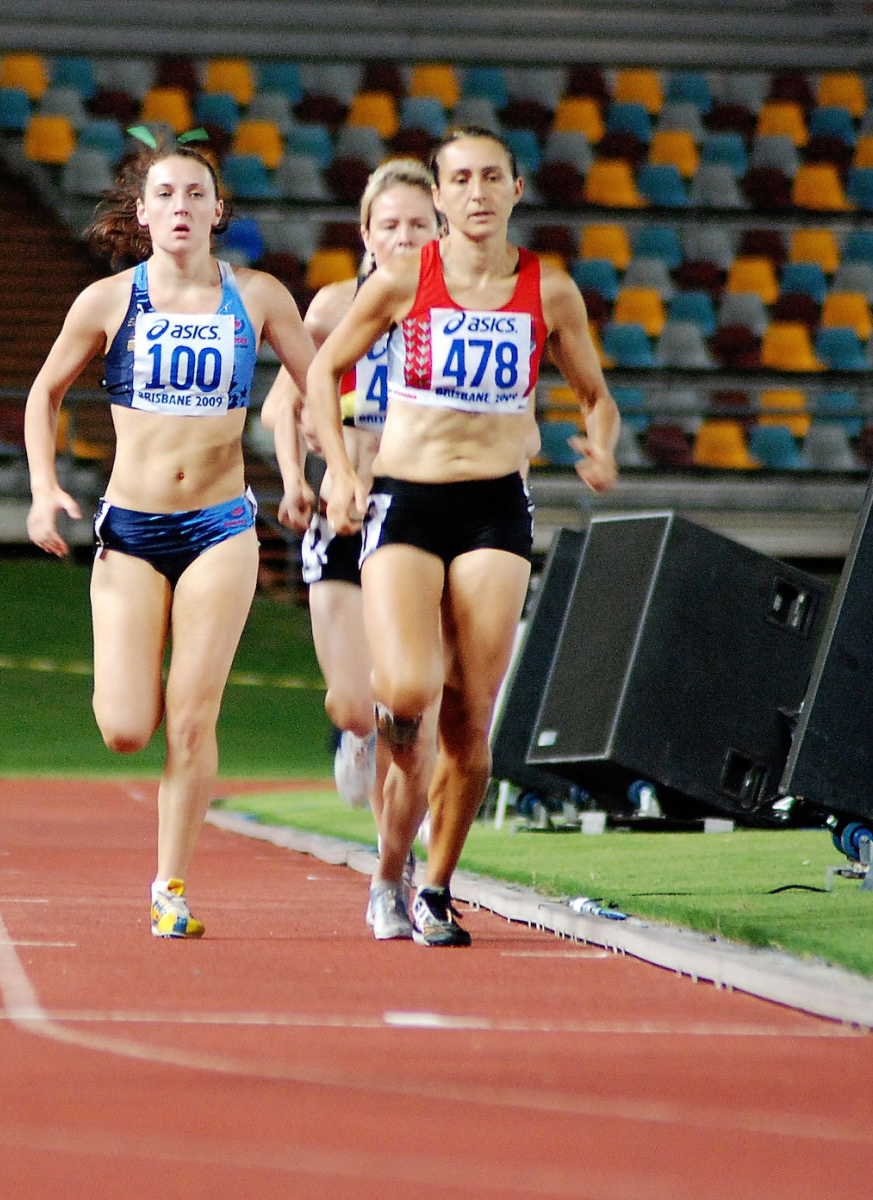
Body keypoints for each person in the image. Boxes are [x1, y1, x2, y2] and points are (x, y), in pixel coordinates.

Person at [25, 127, 343, 939]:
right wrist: (43, 488)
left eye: (194, 194)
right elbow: (43, 393)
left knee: (193, 718)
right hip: (131, 530)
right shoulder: (109, 300)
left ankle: (170, 885)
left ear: (216, 213)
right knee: (127, 727)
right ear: (141, 212)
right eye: (164, 194)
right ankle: (147, 746)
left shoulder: (259, 296)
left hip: (221, 527)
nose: (180, 206)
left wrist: (335, 468)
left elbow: (316, 388)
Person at [306, 126, 618, 947]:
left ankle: (435, 886)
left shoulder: (548, 292)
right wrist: (339, 471)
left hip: (494, 508)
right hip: (406, 501)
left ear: (516, 190)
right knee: (407, 692)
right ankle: (385, 872)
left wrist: (601, 443)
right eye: (459, 180)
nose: (476, 193)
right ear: (438, 196)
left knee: (468, 719)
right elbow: (319, 371)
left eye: (491, 178)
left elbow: (594, 393)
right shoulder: (406, 278)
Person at [259, 157, 445, 939]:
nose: (403, 236)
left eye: (418, 223)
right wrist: (295, 478)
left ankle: (391, 874)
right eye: (388, 224)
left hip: (415, 514)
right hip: (339, 516)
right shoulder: (336, 305)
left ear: (438, 231)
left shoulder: (453, 309)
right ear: (364, 234)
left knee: (404, 702)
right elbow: (281, 402)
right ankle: (350, 730)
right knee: (352, 703)